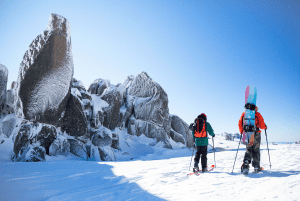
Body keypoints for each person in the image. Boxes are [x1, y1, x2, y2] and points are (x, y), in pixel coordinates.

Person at [239, 106, 267, 173]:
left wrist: (242, 131)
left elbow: (240, 123)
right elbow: (262, 125)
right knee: (256, 150)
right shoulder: (257, 114)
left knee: (249, 149)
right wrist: (265, 127)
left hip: (247, 134)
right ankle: (257, 167)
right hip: (256, 134)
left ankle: (246, 163)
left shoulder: (244, 114)